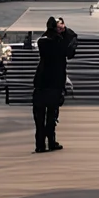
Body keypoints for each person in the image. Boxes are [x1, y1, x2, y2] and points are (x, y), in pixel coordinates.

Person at [33, 17, 78, 152]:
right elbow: (72, 42)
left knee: (39, 116)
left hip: (41, 82)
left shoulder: (42, 41)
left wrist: (57, 30)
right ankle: (51, 142)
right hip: (54, 82)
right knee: (52, 114)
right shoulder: (60, 43)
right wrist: (64, 30)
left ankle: (40, 144)